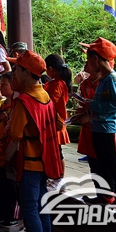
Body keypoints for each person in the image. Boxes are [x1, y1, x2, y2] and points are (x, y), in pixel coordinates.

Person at [8, 50, 63, 232]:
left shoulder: (24, 101)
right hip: (45, 161)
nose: (15, 72)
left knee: (30, 207)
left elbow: (15, 134)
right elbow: (58, 124)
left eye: (17, 68)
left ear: (27, 72)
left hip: (29, 163)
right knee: (41, 205)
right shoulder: (46, 96)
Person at [79, 37, 116, 204]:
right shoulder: (103, 80)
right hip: (99, 128)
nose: (87, 63)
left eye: (88, 59)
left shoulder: (113, 79)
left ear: (95, 59)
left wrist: (92, 104)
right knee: (102, 165)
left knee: (115, 164)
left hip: (110, 130)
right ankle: (106, 196)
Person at [44, 53, 72, 191]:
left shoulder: (57, 84)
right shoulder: (57, 83)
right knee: (56, 152)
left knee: (57, 153)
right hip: (54, 122)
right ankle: (57, 178)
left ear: (50, 68)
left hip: (54, 123)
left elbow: (51, 103)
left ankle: (59, 179)